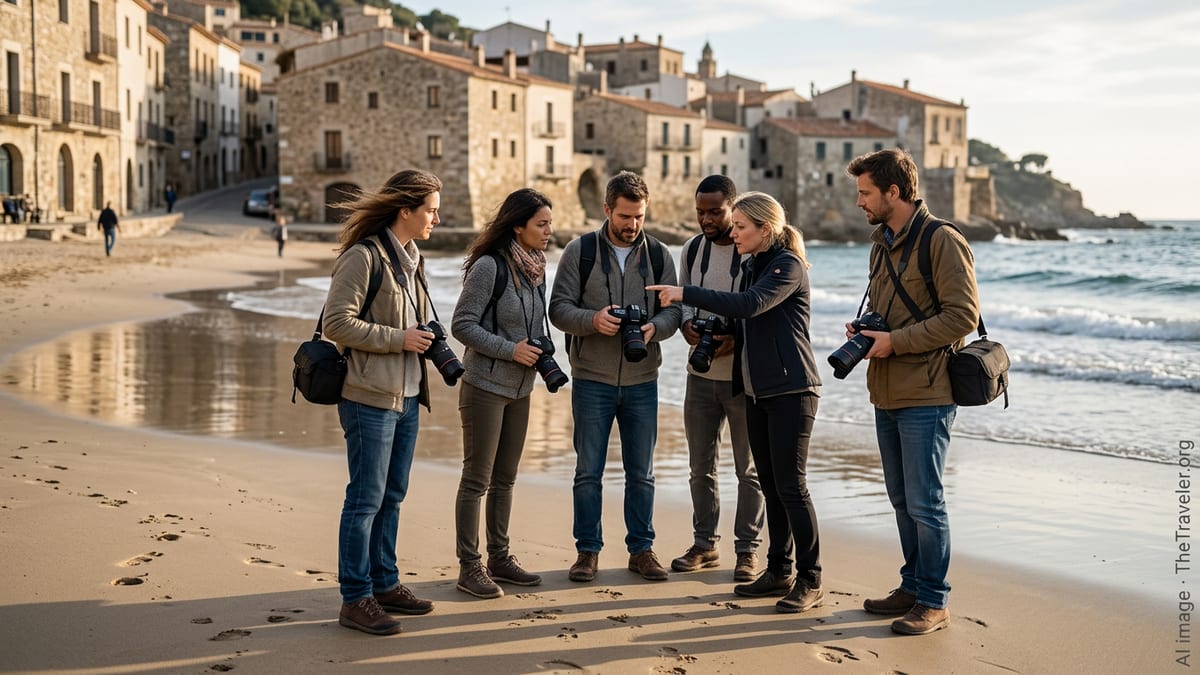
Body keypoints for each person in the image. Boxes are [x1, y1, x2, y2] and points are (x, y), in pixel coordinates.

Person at [649, 191, 824, 614]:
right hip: (756, 388)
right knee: (772, 484)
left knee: (792, 488)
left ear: (766, 229)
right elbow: (746, 323)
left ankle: (811, 579)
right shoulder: (754, 265)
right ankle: (778, 570)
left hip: (792, 388)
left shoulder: (788, 265)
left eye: (742, 227)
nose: (734, 232)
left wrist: (684, 293)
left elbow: (750, 305)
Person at [845, 149, 980, 635]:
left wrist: (894, 341)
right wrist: (866, 330)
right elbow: (894, 311)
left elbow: (962, 317)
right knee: (901, 499)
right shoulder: (880, 241)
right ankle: (912, 585)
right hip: (885, 390)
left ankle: (934, 601)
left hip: (927, 392)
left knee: (926, 502)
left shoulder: (941, 240)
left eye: (865, 193)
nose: (859, 202)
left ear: (893, 192)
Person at [321, 168, 444, 636]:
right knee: (365, 499)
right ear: (405, 210)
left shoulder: (414, 258)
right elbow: (337, 323)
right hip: (368, 396)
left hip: (409, 395)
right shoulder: (363, 257)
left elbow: (415, 327)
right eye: (430, 209)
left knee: (392, 495)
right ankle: (355, 598)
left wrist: (425, 339)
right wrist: (400, 338)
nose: (436, 216)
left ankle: (385, 582)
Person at [549, 170, 681, 583]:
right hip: (592, 378)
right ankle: (587, 551)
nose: (633, 225)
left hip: (644, 378)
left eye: (639, 216)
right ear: (607, 209)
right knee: (588, 470)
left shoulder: (659, 255)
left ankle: (641, 550)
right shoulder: (580, 251)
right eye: (625, 216)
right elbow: (558, 309)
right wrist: (594, 320)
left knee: (641, 472)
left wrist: (653, 329)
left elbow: (675, 310)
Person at [449, 188, 555, 599]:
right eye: (541, 224)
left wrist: (541, 348)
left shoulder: (536, 269)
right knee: (477, 479)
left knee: (506, 479)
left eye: (549, 224)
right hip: (484, 386)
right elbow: (462, 325)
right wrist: (511, 350)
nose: (549, 232)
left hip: (521, 388)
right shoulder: (489, 268)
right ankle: (469, 566)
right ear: (518, 226)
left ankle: (500, 558)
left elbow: (530, 325)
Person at [670, 175, 764, 582]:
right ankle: (704, 544)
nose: (706, 219)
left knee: (749, 469)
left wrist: (735, 340)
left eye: (715, 211)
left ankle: (747, 551)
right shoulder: (692, 249)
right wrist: (687, 328)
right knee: (700, 466)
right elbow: (684, 299)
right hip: (700, 373)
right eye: (700, 212)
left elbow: (761, 310)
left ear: (734, 208)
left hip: (744, 377)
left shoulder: (754, 251)